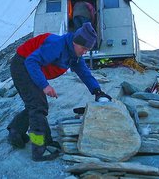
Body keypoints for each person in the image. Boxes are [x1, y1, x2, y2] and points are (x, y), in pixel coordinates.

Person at [7, 22, 112, 161]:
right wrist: (44, 85)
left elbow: (85, 73)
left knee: (35, 105)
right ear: (75, 41)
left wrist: (97, 91)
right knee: (37, 106)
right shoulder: (57, 45)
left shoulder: (75, 56)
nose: (85, 51)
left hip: (32, 68)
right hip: (22, 65)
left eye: (88, 49)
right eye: (84, 48)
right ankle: (39, 148)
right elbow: (31, 61)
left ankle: (15, 131)